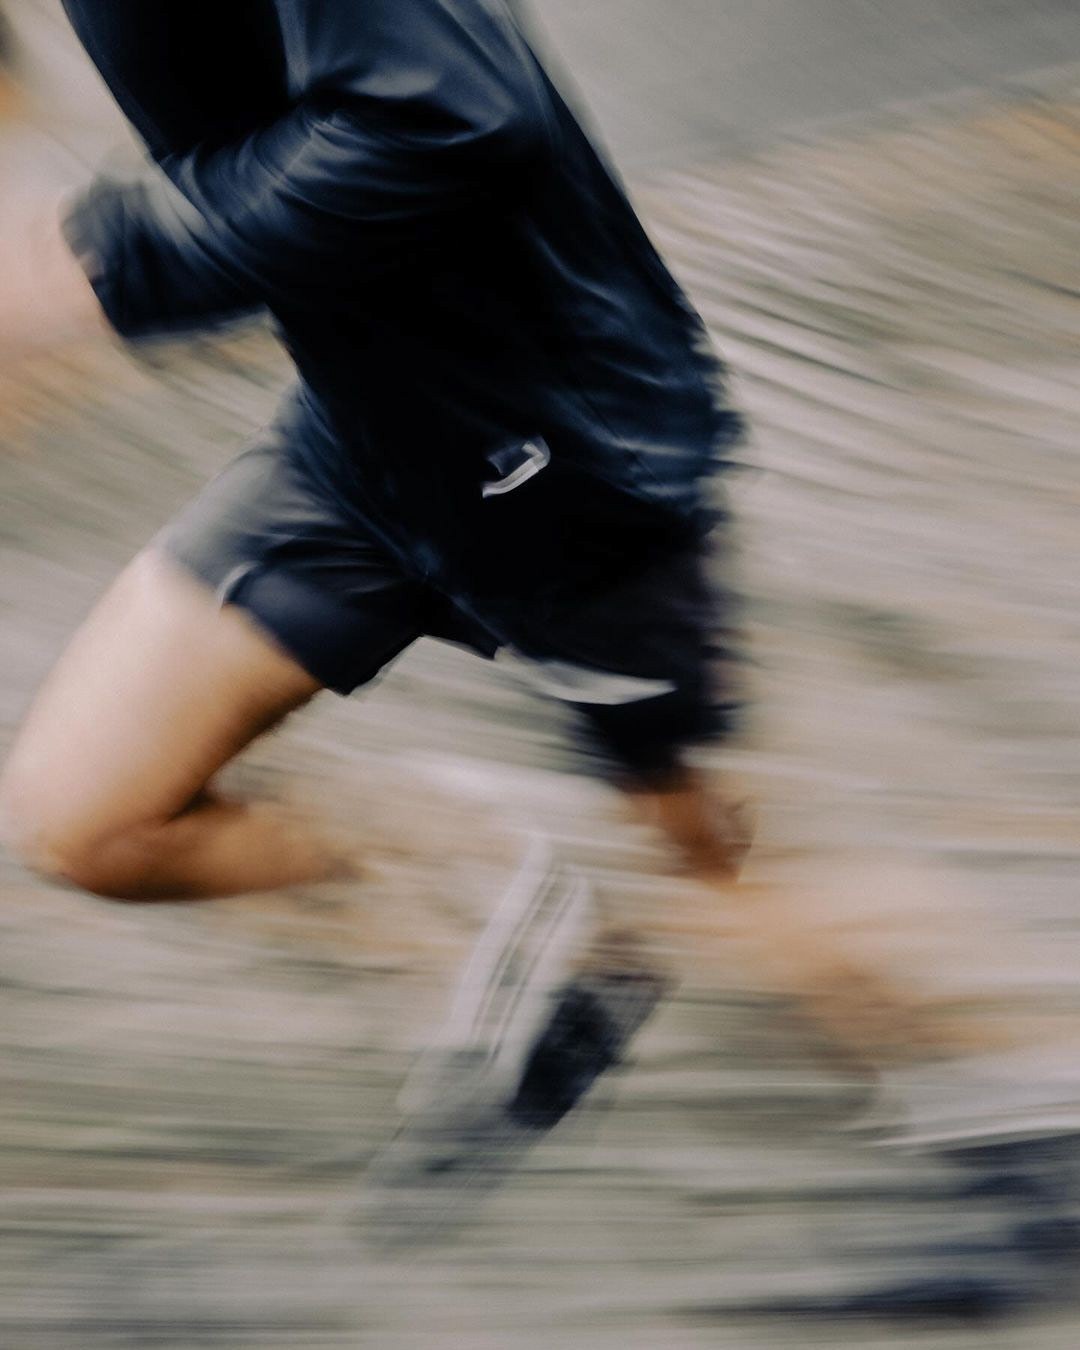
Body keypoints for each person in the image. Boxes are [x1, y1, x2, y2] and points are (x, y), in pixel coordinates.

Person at [1, 0, 1077, 1315]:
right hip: (363, 432)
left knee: (712, 867)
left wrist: (106, 262)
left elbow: (445, 110)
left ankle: (1030, 1145)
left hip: (558, 442)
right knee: (88, 816)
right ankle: (519, 880)